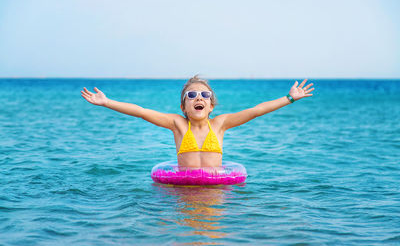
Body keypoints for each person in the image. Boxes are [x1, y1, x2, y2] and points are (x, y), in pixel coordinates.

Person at [81, 75, 314, 168]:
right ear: (183, 106)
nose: (198, 98)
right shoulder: (178, 124)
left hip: (216, 189)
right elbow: (141, 111)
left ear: (212, 105)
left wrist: (290, 98)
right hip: (182, 190)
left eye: (205, 96)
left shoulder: (220, 124)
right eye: (191, 95)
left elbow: (256, 110)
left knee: (212, 234)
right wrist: (107, 102)